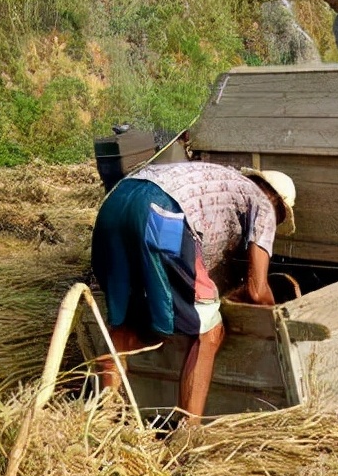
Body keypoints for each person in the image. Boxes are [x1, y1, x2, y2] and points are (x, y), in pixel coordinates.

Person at [90, 161, 296, 422]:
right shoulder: (264, 203)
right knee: (209, 331)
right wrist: (274, 316)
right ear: (278, 204)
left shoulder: (222, 184)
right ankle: (189, 432)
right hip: (164, 212)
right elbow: (257, 291)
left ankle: (104, 417)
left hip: (115, 204)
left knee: (127, 323)